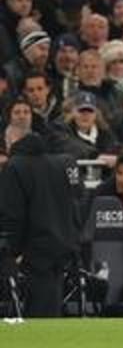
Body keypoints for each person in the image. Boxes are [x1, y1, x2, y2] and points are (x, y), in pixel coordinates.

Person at [0, 126, 83, 317]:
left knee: (36, 310)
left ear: (13, 141)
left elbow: (13, 214)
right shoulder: (60, 164)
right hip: (61, 245)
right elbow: (75, 205)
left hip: (33, 249)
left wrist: (12, 250)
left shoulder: (15, 166)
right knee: (51, 305)